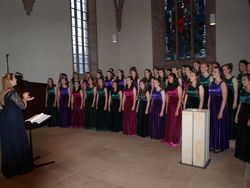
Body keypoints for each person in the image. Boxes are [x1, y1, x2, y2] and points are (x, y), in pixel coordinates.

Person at [0, 73, 34, 178]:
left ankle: (11, 167)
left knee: (10, 142)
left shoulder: (3, 92)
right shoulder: (12, 93)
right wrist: (24, 98)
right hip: (14, 120)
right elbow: (22, 106)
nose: (16, 79)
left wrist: (24, 99)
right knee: (17, 141)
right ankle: (20, 167)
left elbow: (14, 104)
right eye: (14, 78)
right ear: (10, 81)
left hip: (6, 119)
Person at [208, 66, 229, 153]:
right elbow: (209, 96)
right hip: (212, 106)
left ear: (219, 73)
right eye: (213, 71)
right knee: (212, 125)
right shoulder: (211, 83)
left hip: (220, 106)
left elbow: (224, 99)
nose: (213, 73)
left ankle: (219, 146)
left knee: (219, 126)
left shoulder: (223, 84)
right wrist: (208, 107)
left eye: (215, 71)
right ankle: (212, 144)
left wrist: (221, 112)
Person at [234, 74, 250, 162]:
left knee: (248, 134)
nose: (242, 81)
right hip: (242, 113)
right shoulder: (242, 90)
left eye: (244, 80)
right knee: (241, 133)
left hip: (248, 114)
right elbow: (240, 103)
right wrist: (237, 114)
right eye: (242, 80)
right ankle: (241, 153)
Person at [164, 73, 182, 146]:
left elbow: (180, 99)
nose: (169, 79)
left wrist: (177, 109)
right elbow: (167, 98)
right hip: (170, 106)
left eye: (171, 77)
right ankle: (169, 138)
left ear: (174, 78)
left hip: (176, 106)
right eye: (168, 78)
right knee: (170, 122)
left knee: (175, 123)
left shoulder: (178, 87)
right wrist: (166, 108)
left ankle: (175, 139)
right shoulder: (168, 87)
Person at [222, 63, 238, 139]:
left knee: (230, 116)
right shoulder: (223, 78)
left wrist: (235, 102)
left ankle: (231, 134)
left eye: (224, 69)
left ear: (229, 70)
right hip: (223, 99)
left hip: (231, 99)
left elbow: (236, 91)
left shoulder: (233, 79)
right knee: (224, 116)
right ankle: (224, 133)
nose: (223, 70)